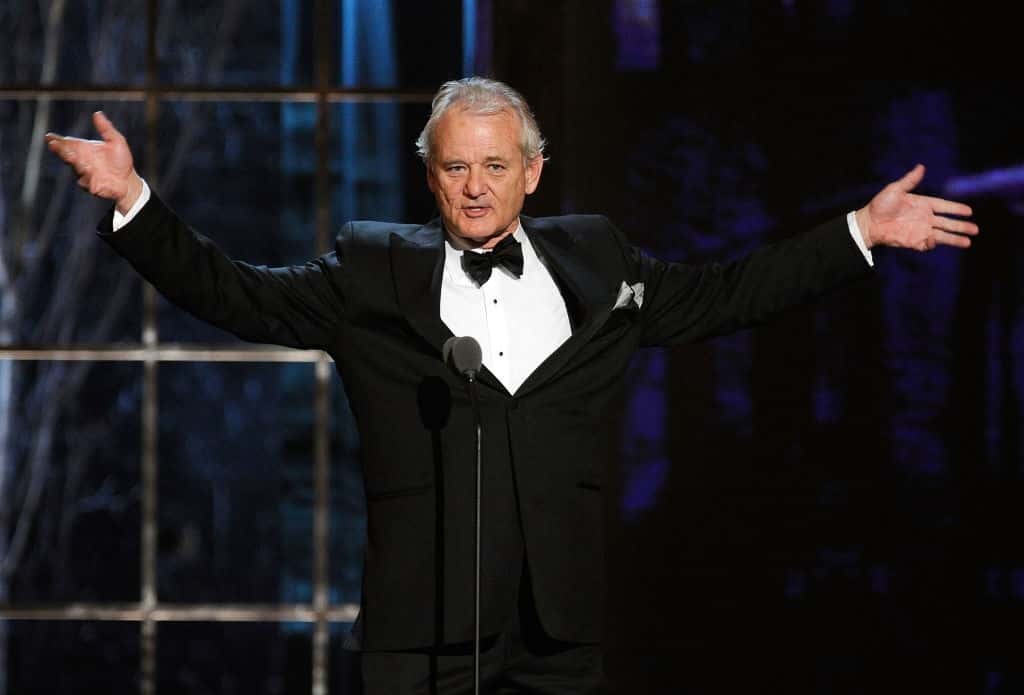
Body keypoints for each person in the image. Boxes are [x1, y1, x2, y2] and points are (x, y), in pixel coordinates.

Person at [45, 77, 977, 694]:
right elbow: (237, 295)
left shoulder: (600, 257)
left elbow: (727, 295)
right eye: (456, 167)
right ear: (430, 175)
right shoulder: (371, 272)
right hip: (422, 639)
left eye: (496, 166)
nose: (477, 187)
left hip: (557, 635)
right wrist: (137, 204)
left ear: (532, 172)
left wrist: (856, 230)